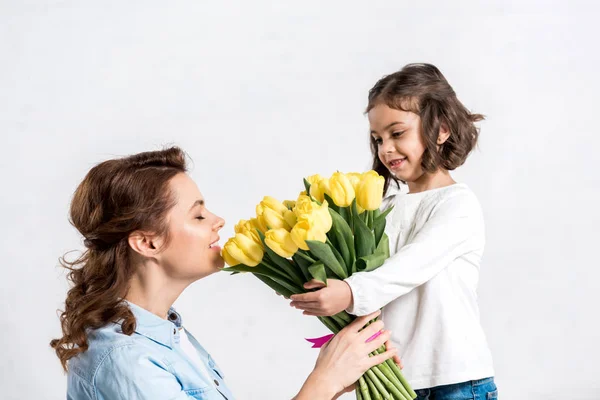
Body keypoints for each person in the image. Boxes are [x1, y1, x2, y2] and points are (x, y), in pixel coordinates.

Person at [50, 147, 398, 400]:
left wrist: (335, 380)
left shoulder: (168, 336)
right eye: (198, 216)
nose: (218, 221)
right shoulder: (127, 361)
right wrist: (322, 382)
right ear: (147, 243)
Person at [289, 63, 498, 399]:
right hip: (392, 380)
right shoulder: (381, 207)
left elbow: (409, 268)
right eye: (378, 139)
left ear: (441, 129)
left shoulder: (457, 204)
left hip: (454, 379)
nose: (385, 149)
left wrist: (348, 292)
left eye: (397, 134)